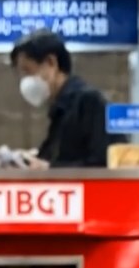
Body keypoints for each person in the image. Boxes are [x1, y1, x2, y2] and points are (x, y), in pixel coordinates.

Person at [10, 31, 108, 169]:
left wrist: (48, 169)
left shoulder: (89, 102)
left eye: (28, 70)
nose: (25, 81)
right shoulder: (60, 110)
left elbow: (105, 164)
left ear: (51, 62)